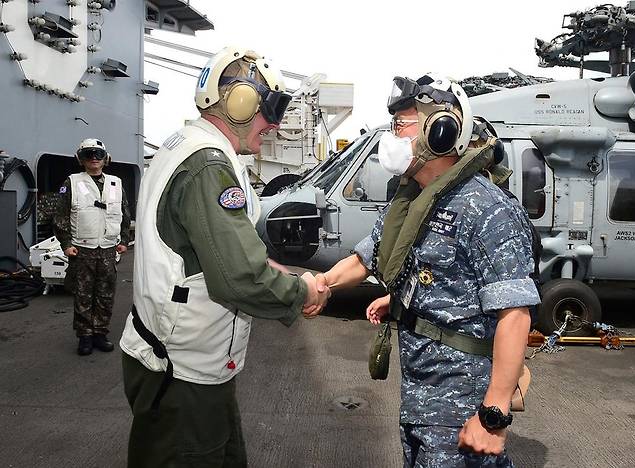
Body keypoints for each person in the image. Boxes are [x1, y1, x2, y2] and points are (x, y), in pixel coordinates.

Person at [119, 47, 328, 468]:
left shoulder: (191, 145)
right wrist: (300, 289)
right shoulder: (208, 166)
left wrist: (270, 267)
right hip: (182, 373)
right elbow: (237, 277)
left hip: (190, 361)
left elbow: (209, 247)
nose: (273, 124)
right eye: (269, 109)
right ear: (239, 102)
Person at [315, 74, 540, 467]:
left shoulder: (487, 208)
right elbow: (370, 257)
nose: (393, 136)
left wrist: (492, 415)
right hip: (420, 393)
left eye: (401, 125)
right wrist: (322, 284)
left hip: (462, 396)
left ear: (440, 131)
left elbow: (515, 315)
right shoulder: (413, 197)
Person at [54, 138, 130, 356]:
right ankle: (85, 336)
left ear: (105, 158)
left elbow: (125, 213)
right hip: (82, 249)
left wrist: (124, 240)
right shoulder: (72, 182)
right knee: (83, 295)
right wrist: (66, 244)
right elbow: (60, 217)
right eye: (88, 154)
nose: (94, 159)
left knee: (105, 293)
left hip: (108, 248)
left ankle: (100, 332)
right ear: (81, 159)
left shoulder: (116, 183)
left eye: (98, 154)